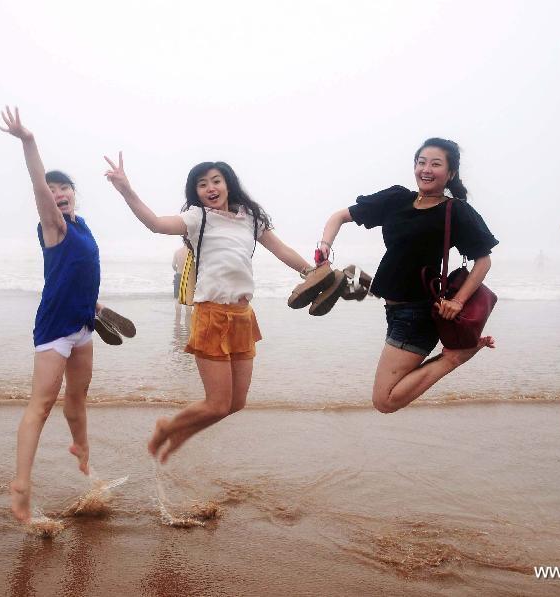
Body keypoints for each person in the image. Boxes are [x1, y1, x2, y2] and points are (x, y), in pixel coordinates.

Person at [104, 154, 316, 463]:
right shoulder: (197, 217)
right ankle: (168, 427)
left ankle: (180, 433)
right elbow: (155, 224)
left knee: (236, 403)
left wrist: (312, 273)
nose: (210, 188)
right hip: (212, 314)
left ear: (228, 184)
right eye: (202, 184)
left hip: (243, 316)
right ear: (196, 192)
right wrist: (126, 189)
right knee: (217, 404)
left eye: (216, 181)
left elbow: (281, 249)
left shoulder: (250, 217)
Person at [319, 138, 498, 414]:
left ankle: (453, 358)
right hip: (394, 307)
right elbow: (339, 217)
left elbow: (483, 261)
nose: (426, 169)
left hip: (419, 312)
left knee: (385, 400)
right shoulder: (396, 199)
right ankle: (339, 281)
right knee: (385, 396)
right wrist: (325, 247)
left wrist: (459, 302)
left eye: (436, 164)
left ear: (450, 173)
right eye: (421, 162)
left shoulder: (455, 210)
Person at [0, 107, 109, 522]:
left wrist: (95, 304)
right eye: (52, 189)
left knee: (78, 398)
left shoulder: (82, 225)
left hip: (82, 324)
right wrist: (29, 142)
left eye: (64, 188)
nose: (58, 193)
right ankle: (21, 485)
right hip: (54, 329)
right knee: (41, 404)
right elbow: (38, 185)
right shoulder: (53, 226)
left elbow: (80, 272)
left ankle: (80, 447)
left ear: (74, 194)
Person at [172, 243, 190, 325]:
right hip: (189, 276)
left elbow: (173, 265)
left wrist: (177, 269)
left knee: (177, 298)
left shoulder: (177, 252)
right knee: (188, 299)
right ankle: (188, 319)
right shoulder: (191, 252)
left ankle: (178, 318)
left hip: (179, 275)